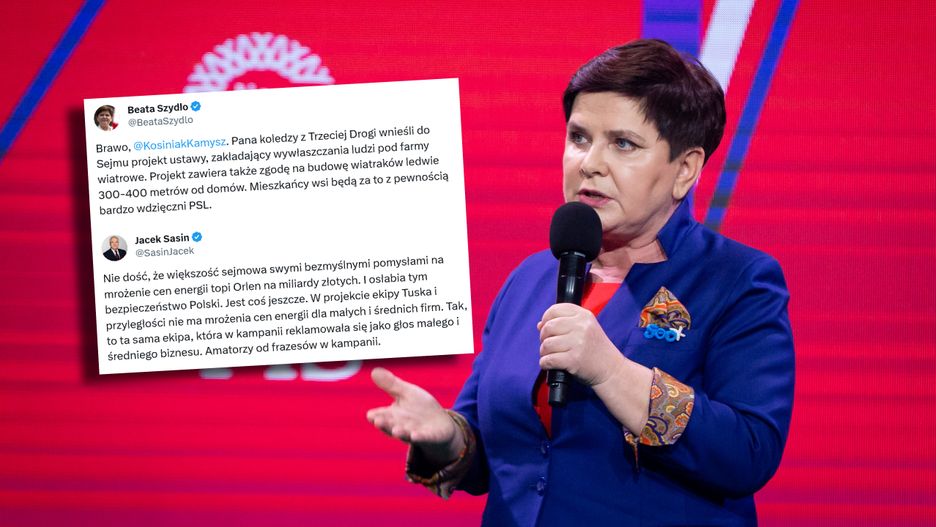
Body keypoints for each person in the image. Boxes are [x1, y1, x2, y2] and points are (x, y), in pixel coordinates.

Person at [367, 39, 794, 526]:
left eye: (623, 144)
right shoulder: (530, 278)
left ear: (685, 169)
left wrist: (611, 372)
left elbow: (749, 451)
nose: (590, 162)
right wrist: (447, 437)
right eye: (579, 137)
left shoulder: (738, 280)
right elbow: (495, 451)